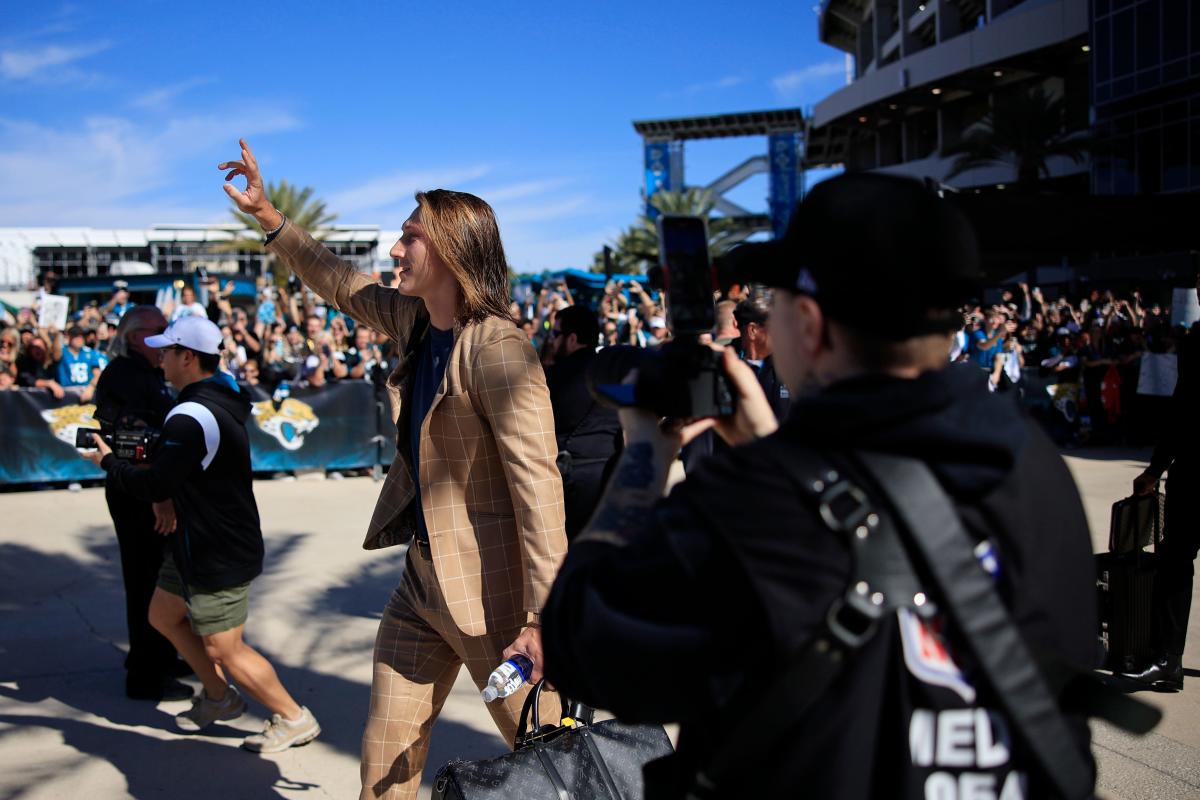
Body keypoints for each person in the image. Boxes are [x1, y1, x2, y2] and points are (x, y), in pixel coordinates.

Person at [541, 174, 1097, 798]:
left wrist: (644, 454)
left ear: (810, 322)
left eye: (774, 302)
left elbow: (581, 642)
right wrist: (769, 445)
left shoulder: (760, 499)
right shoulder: (1036, 463)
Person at [219, 139, 567, 799]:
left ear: (452, 251)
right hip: (421, 585)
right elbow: (340, 283)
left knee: (552, 760)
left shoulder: (498, 350)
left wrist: (543, 617)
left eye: (410, 238)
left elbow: (540, 491)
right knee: (383, 768)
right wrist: (269, 215)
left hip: (495, 604)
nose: (394, 250)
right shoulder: (416, 323)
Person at [77, 315, 320, 752]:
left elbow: (155, 485)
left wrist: (110, 463)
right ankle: (219, 697)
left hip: (215, 550)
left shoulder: (190, 414)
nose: (161, 359)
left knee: (225, 648)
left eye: (167, 351)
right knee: (162, 615)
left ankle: (293, 717)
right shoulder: (216, 397)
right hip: (199, 543)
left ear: (187, 357)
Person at [92, 306, 191, 701]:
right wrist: (160, 496)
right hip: (139, 493)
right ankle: (147, 675)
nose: (167, 336)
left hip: (148, 489)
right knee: (146, 582)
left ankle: (160, 656)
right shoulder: (124, 374)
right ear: (135, 337)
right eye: (159, 330)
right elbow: (136, 442)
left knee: (162, 579)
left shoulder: (149, 372)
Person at [1123, 273, 1200, 691]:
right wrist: (1157, 468)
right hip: (1192, 471)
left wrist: (1156, 468)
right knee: (1174, 563)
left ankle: (1169, 660)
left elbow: (1184, 411)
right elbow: (1183, 411)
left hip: (1194, 471)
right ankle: (1169, 659)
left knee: (1175, 564)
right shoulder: (1195, 340)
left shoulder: (1196, 342)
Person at [545, 305, 622, 541]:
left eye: (556, 335)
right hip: (613, 474)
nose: (552, 340)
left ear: (572, 339)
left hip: (573, 483)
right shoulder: (615, 372)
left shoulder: (553, 377)